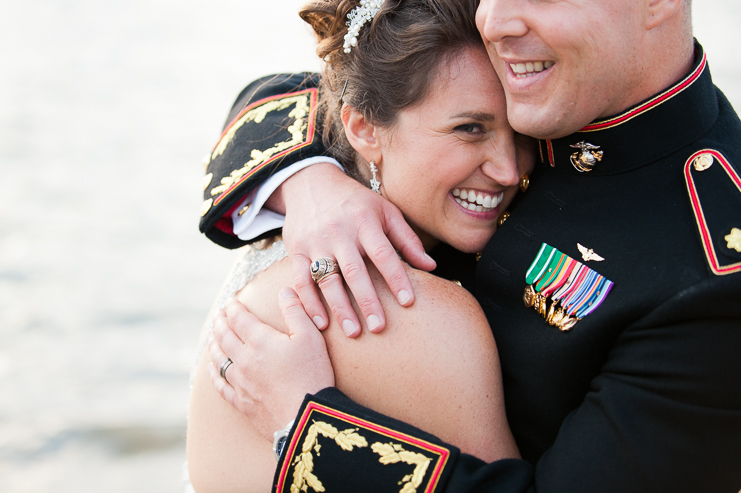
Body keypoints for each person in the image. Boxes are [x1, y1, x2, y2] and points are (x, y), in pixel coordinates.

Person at [203, 0, 741, 491]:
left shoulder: (711, 277)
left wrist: (309, 430)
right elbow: (333, 83)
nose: (496, 21)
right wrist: (311, 182)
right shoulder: (547, 83)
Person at [187, 1, 531, 491]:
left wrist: (305, 179)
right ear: (364, 128)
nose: (508, 169)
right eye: (469, 129)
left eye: (521, 131)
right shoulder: (418, 316)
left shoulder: (305, 216)